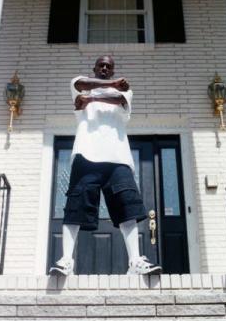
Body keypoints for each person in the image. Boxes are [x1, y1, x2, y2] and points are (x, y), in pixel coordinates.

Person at [50, 55, 162, 276]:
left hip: (117, 158)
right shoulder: (81, 84)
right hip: (86, 155)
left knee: (127, 208)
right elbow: (82, 84)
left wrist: (90, 100)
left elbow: (119, 100)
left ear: (113, 70)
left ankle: (135, 262)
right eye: (101, 65)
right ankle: (66, 261)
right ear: (94, 68)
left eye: (108, 67)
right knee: (75, 207)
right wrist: (110, 84)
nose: (104, 68)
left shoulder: (126, 91)